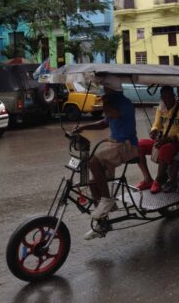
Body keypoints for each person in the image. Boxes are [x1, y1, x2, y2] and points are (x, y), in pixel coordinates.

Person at [74, 77, 138, 240]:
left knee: (93, 161)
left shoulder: (123, 103)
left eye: (105, 89)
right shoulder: (113, 102)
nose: (103, 91)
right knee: (92, 182)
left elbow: (113, 114)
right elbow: (105, 122)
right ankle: (103, 223)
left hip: (127, 146)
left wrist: (106, 101)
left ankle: (107, 200)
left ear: (111, 90)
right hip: (114, 145)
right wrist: (84, 127)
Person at [136, 85, 179, 194]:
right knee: (138, 145)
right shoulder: (161, 108)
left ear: (174, 96)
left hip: (177, 143)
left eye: (170, 97)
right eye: (164, 97)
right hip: (163, 140)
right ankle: (147, 179)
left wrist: (168, 140)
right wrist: (154, 130)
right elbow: (157, 124)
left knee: (164, 149)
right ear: (161, 98)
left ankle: (159, 180)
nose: (167, 100)